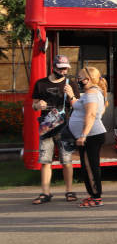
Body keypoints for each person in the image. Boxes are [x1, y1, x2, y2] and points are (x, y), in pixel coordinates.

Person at [31, 55, 80, 204]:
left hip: (65, 127)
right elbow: (33, 105)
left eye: (65, 68)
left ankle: (69, 191)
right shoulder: (40, 84)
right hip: (46, 127)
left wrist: (71, 95)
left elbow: (77, 106)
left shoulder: (70, 83)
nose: (63, 71)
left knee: (66, 160)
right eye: (60, 68)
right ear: (53, 67)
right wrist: (37, 106)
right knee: (46, 160)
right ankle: (45, 193)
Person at [70, 67, 110, 207]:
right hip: (91, 134)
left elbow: (91, 114)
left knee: (91, 166)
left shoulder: (91, 93)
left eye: (80, 78)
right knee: (88, 166)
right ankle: (93, 194)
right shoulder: (95, 92)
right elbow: (100, 110)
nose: (78, 80)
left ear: (88, 79)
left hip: (91, 135)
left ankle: (96, 197)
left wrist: (83, 135)